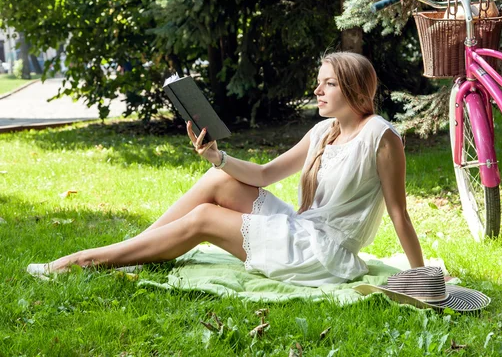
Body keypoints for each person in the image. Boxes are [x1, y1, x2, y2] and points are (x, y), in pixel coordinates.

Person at [27, 51, 424, 286]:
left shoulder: (380, 137)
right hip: (303, 229)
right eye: (318, 82)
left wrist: (420, 276)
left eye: (328, 84)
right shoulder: (324, 130)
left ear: (354, 89)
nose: (317, 91)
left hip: (321, 253)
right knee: (218, 179)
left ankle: (86, 260)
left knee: (203, 218)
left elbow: (398, 212)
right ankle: (134, 249)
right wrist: (217, 157)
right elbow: (266, 174)